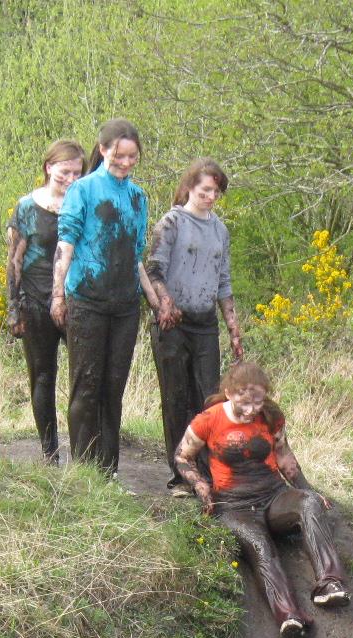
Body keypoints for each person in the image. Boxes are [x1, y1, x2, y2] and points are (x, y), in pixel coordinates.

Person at [175, 361, 350, 638]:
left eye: (257, 402)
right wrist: (200, 485)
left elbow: (284, 457)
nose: (251, 410)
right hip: (233, 506)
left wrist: (309, 491)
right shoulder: (208, 419)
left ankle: (330, 584)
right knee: (260, 545)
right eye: (244, 403)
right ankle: (289, 616)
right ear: (229, 393)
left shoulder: (270, 416)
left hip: (273, 496)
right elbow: (183, 456)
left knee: (308, 503)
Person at [50, 118, 169, 474]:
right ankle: (82, 471)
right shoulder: (82, 189)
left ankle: (108, 470)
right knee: (86, 387)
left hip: (125, 306)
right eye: (120, 155)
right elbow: (65, 245)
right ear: (103, 150)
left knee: (113, 389)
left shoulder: (138, 197)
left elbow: (135, 257)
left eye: (133, 157)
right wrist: (57, 295)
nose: (126, 163)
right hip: (86, 301)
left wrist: (155, 302)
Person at [145, 158, 243, 496]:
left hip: (205, 323)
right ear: (190, 187)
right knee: (175, 398)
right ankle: (181, 475)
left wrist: (233, 327)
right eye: (205, 190)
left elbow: (224, 281)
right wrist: (165, 304)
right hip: (172, 323)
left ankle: (209, 471)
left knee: (210, 399)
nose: (211, 197)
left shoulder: (220, 230)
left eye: (216, 192)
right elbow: (154, 271)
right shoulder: (171, 223)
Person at [7, 139, 85, 462]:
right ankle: (49, 452)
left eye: (77, 173)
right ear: (49, 168)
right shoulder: (27, 207)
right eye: (65, 172)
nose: (70, 179)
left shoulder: (82, 204)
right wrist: (13, 308)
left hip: (77, 301)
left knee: (84, 375)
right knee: (42, 376)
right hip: (36, 302)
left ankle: (86, 451)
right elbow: (14, 260)